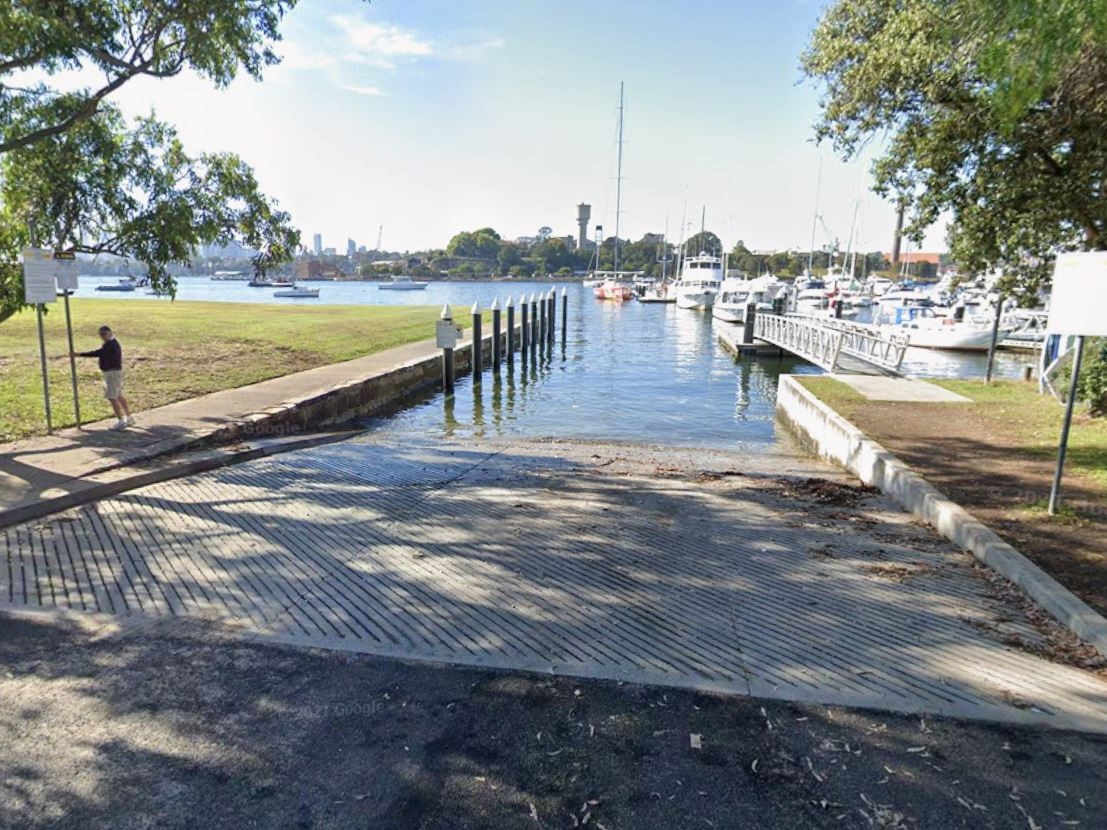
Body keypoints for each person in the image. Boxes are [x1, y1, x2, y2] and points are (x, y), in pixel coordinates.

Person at [72, 325, 134, 431]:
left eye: (104, 334)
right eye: (100, 334)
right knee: (118, 395)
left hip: (112, 373)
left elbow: (98, 353)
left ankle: (121, 420)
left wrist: (79, 354)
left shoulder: (111, 344)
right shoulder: (110, 344)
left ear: (109, 333)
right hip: (113, 373)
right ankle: (128, 417)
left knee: (112, 397)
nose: (102, 336)